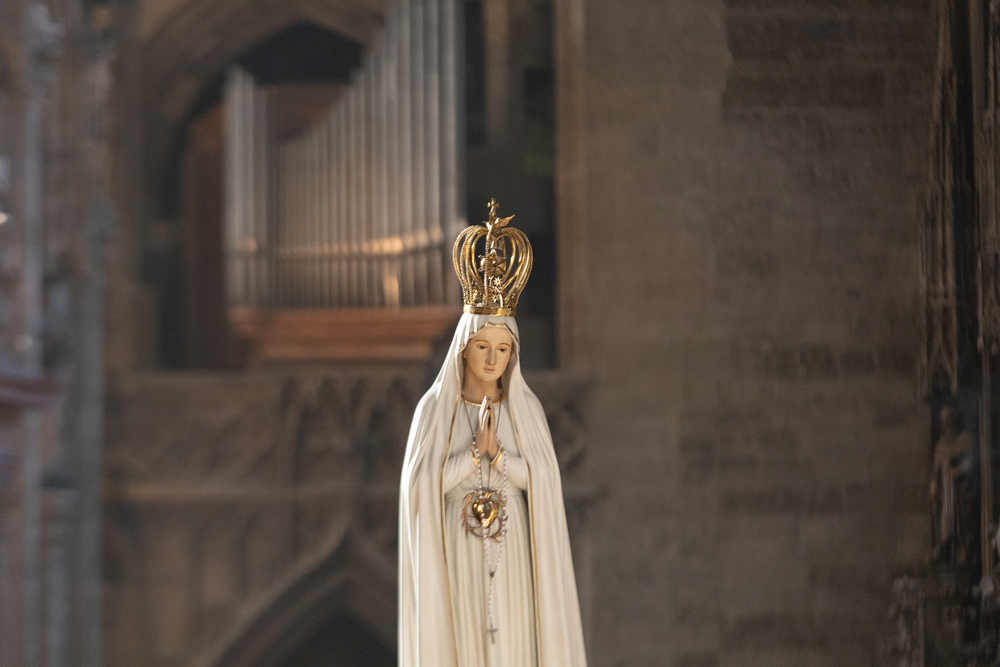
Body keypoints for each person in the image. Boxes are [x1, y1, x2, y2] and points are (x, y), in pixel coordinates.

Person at [398, 201, 587, 666]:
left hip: (513, 555)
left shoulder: (528, 411)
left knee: (515, 647)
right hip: (459, 556)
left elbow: (543, 480)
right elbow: (419, 489)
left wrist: (497, 456)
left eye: (502, 349)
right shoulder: (433, 411)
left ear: (513, 353)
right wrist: (469, 458)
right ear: (464, 349)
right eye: (482, 346)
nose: (491, 359)